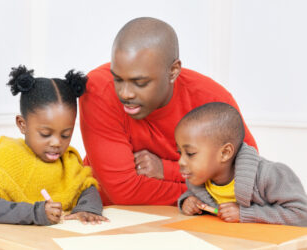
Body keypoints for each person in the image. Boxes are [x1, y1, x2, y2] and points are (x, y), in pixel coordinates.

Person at [79, 17, 257, 206]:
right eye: (117, 79)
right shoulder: (98, 88)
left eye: (140, 83)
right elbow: (124, 192)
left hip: (195, 218)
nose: (125, 93)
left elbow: (249, 180)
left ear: (173, 71)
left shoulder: (213, 100)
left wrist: (167, 170)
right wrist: (212, 195)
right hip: (109, 218)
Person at [0, 66, 108, 225]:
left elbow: (88, 189)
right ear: (22, 124)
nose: (56, 143)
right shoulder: (8, 156)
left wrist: (87, 209)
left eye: (65, 135)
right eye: (46, 134)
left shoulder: (68, 162)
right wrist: (35, 213)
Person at [176, 102, 307, 226]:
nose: (181, 161)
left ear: (225, 153)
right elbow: (200, 197)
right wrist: (188, 202)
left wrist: (245, 214)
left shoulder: (269, 175)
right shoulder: (201, 180)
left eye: (190, 153)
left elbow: (302, 215)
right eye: (179, 152)